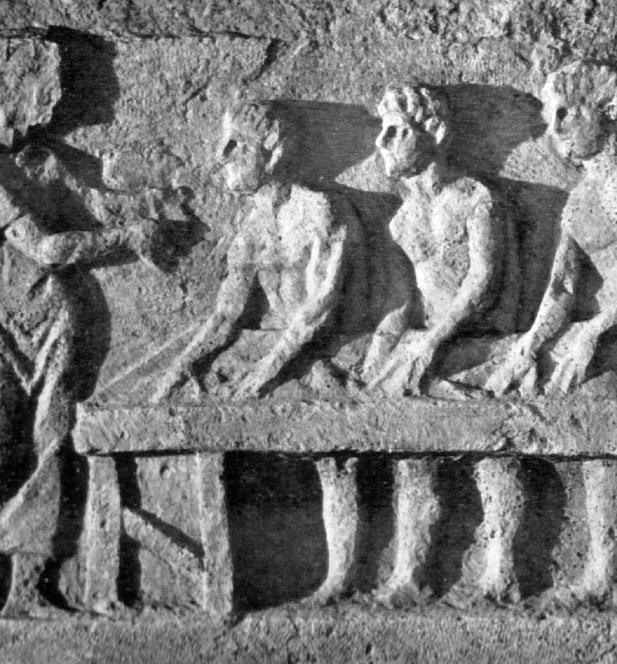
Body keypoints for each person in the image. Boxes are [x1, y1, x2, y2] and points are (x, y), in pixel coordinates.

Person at [0, 39, 167, 616]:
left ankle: (30, 587)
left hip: (52, 320)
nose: (55, 103)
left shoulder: (38, 158)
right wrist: (128, 239)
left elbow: (98, 202)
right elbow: (42, 245)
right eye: (47, 90)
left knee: (51, 446)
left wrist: (154, 205)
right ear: (8, 88)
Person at [151, 100, 369, 603]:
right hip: (278, 346)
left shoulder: (320, 210)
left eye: (236, 146)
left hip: (335, 348)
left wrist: (265, 372)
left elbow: (320, 310)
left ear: (271, 152)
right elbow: (227, 315)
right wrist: (181, 368)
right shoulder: (250, 225)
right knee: (192, 390)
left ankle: (342, 574)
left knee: (330, 434)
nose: (221, 155)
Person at [488, 62, 617, 605]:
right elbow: (562, 289)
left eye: (569, 111)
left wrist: (594, 332)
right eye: (552, 115)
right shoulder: (577, 201)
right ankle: (501, 569)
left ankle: (608, 577)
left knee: (593, 405)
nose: (558, 126)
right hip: (599, 332)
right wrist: (531, 344)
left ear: (612, 112)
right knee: (507, 383)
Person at [368, 83, 523, 605]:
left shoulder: (477, 199)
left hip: (486, 344)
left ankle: (501, 572)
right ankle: (411, 571)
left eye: (395, 131)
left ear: (433, 132)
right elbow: (406, 300)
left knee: (491, 445)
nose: (382, 142)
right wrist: (383, 349)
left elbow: (484, 283)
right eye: (380, 131)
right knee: (408, 449)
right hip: (429, 344)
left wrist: (430, 342)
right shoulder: (403, 219)